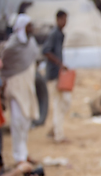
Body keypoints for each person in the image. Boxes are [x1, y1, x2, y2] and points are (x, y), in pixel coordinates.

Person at [0, 14, 40, 163]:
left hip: (28, 87)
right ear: (22, 27)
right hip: (15, 87)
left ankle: (24, 153)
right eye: (29, 25)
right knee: (16, 121)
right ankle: (18, 157)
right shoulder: (11, 47)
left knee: (25, 121)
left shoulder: (31, 44)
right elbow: (4, 68)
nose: (32, 28)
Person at [42, 10, 71, 143]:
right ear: (58, 19)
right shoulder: (54, 34)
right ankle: (58, 135)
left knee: (65, 102)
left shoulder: (60, 34)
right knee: (58, 103)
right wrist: (59, 63)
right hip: (54, 74)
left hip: (59, 74)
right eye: (64, 19)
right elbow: (46, 51)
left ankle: (54, 129)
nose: (65, 22)